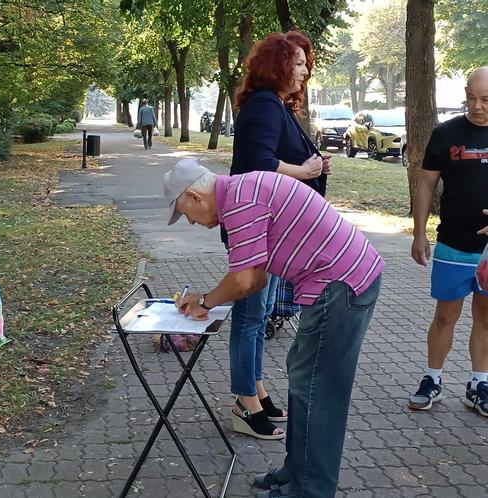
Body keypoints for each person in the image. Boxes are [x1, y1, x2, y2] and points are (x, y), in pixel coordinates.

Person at [163, 158, 383, 498]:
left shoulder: (239, 203)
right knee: (303, 379)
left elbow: (247, 280)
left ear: (194, 196)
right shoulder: (241, 192)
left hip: (339, 285)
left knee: (318, 393)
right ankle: (297, 470)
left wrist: (205, 301)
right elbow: (252, 276)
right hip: (339, 281)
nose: (191, 222)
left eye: (186, 214)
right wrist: (207, 299)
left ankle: (310, 490)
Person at [222, 30, 332, 440]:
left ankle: (257, 388)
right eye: (299, 64)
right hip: (257, 229)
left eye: (306, 64)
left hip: (272, 230)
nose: (305, 71)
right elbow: (258, 162)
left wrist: (313, 165)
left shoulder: (275, 106)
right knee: (250, 318)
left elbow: (280, 158)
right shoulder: (264, 107)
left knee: (261, 314)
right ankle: (244, 402)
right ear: (278, 65)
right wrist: (304, 171)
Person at [408, 67, 488, 418]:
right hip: (453, 245)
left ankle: (479, 384)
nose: (477, 106)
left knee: (485, 318)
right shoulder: (446, 133)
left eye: (485, 100)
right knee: (446, 316)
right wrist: (418, 232)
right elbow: (426, 184)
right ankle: (432, 379)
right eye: (471, 98)